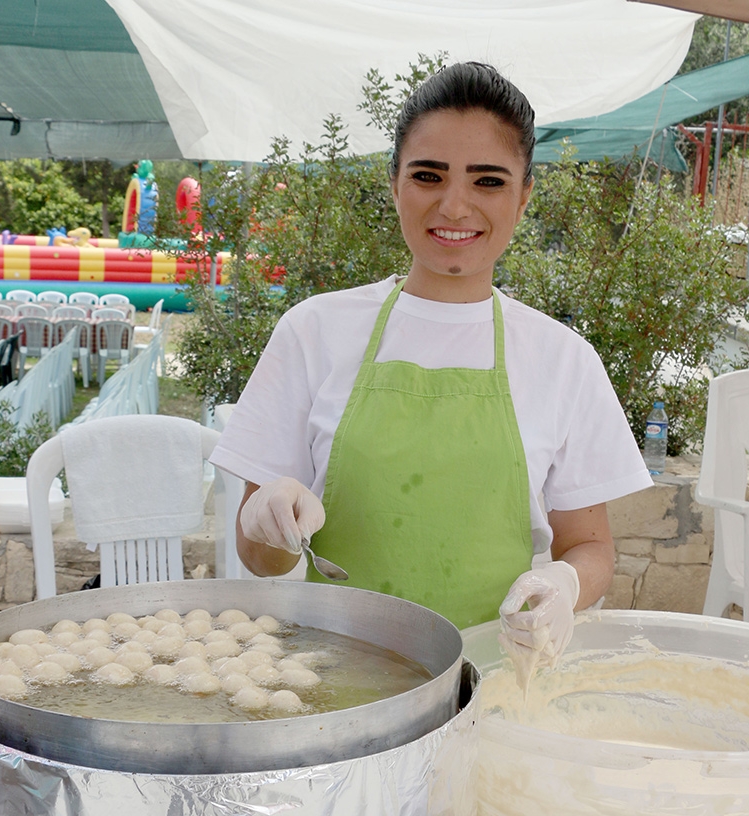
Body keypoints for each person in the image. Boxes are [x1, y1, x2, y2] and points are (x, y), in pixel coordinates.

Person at [210, 62, 652, 672]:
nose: (455, 205)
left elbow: (588, 546)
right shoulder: (314, 332)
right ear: (395, 183)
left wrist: (568, 587)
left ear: (524, 196)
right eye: (428, 175)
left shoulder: (562, 359)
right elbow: (260, 560)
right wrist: (266, 519)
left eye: (488, 181)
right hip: (329, 687)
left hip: (498, 687)